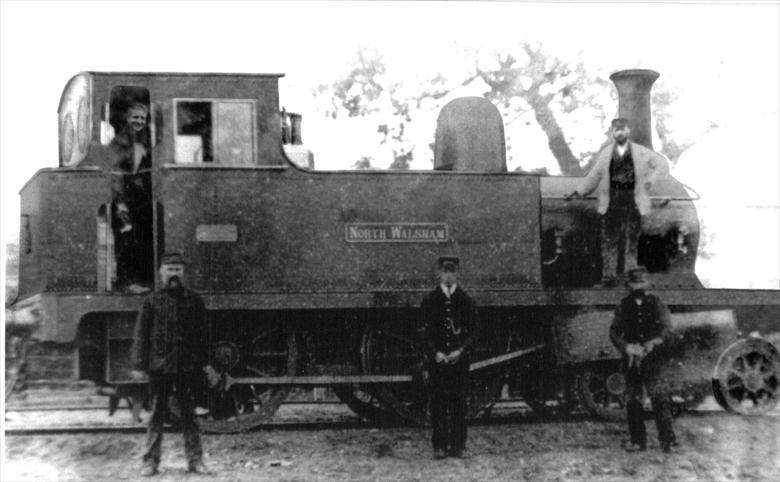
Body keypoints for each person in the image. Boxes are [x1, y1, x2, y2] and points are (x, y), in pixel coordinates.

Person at [130, 252, 211, 476]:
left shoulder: (194, 300)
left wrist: (205, 363)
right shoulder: (151, 301)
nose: (174, 274)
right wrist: (138, 365)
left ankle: (196, 461)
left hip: (187, 367)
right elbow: (141, 335)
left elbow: (203, 334)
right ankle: (150, 462)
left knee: (190, 416)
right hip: (160, 367)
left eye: (177, 269)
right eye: (170, 269)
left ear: (183, 272)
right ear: (161, 273)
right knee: (156, 415)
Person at [566, 118, 669, 284]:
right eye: (616, 130)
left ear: (628, 131)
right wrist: (579, 191)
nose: (620, 133)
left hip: (633, 201)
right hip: (612, 200)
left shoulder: (641, 152)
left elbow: (662, 164)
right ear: (612, 133)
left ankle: (631, 277)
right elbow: (595, 176)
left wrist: (650, 180)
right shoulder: (606, 153)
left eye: (623, 129)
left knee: (632, 241)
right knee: (609, 240)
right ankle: (609, 277)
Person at [609, 266, 677, 453]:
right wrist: (626, 347)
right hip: (632, 359)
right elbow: (614, 332)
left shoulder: (657, 303)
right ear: (628, 285)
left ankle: (667, 441)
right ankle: (638, 441)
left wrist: (653, 342)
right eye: (634, 283)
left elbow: (666, 328)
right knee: (633, 401)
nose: (638, 286)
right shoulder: (623, 305)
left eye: (641, 282)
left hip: (654, 359)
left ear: (647, 283)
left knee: (660, 399)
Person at [420, 256, 479, 459]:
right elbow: (424, 333)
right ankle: (439, 446)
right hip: (437, 361)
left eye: (452, 271)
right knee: (437, 404)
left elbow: (473, 332)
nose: (448, 275)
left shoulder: (466, 301)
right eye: (445, 271)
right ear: (439, 273)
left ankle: (458, 446)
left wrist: (460, 351)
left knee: (458, 403)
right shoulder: (429, 300)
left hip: (458, 361)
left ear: (457, 273)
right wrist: (435, 352)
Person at [110, 102, 154, 293]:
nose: (139, 121)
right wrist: (120, 202)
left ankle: (143, 279)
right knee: (126, 239)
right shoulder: (119, 142)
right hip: (125, 198)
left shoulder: (146, 141)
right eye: (135, 117)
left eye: (142, 118)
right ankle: (126, 282)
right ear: (128, 119)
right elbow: (116, 173)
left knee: (143, 239)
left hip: (141, 198)